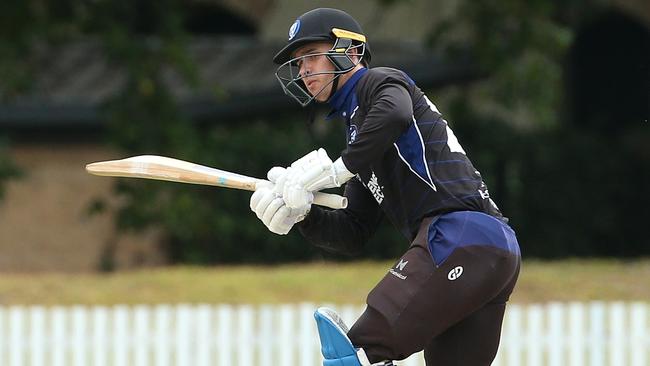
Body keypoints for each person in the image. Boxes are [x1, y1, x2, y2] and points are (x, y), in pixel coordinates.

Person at [249, 7, 521, 366]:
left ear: (350, 51)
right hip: (491, 250)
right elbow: (353, 232)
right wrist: (303, 215)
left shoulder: (379, 82)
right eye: (299, 63)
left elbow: (394, 113)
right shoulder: (360, 136)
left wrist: (336, 172)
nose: (304, 71)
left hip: (458, 236)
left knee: (353, 356)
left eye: (312, 56)